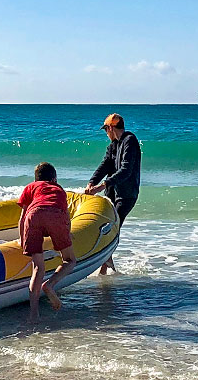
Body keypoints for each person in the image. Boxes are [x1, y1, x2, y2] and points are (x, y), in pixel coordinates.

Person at [17, 162, 77, 323]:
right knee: (70, 260)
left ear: (36, 179)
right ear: (55, 178)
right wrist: (67, 235)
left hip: (33, 215)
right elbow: (66, 216)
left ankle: (34, 314)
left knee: (37, 267)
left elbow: (23, 217)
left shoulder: (31, 187)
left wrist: (23, 240)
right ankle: (50, 285)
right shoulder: (59, 190)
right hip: (55, 214)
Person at [84, 113, 141, 275]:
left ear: (111, 128)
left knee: (112, 230)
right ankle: (107, 270)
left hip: (126, 195)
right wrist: (92, 182)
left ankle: (106, 271)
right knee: (106, 230)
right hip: (112, 194)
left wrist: (102, 186)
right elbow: (105, 164)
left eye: (106, 130)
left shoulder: (130, 141)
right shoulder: (113, 145)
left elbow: (126, 170)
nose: (106, 133)